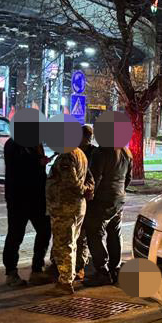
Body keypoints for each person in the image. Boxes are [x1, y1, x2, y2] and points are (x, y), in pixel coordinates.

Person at [45, 139, 94, 293]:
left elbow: (70, 182)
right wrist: (88, 189)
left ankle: (65, 282)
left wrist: (84, 190)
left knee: (63, 244)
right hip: (75, 207)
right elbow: (89, 178)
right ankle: (69, 276)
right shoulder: (80, 154)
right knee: (71, 242)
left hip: (66, 207)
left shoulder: (67, 155)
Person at [1, 135, 50, 287]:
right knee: (15, 235)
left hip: (38, 198)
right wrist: (38, 162)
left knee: (45, 230)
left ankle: (37, 269)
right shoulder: (13, 144)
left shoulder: (36, 143)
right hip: (19, 198)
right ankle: (11, 272)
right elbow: (17, 167)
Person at [84, 141, 134, 286]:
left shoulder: (100, 152)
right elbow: (128, 177)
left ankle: (102, 270)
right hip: (118, 198)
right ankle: (115, 269)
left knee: (94, 233)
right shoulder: (126, 152)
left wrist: (90, 197)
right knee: (114, 232)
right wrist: (120, 191)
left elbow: (95, 178)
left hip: (101, 199)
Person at [74, 123, 98, 281]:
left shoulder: (83, 153)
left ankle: (79, 267)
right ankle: (77, 266)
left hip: (81, 199)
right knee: (77, 235)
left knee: (80, 235)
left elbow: (91, 176)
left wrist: (86, 190)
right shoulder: (93, 152)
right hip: (83, 198)